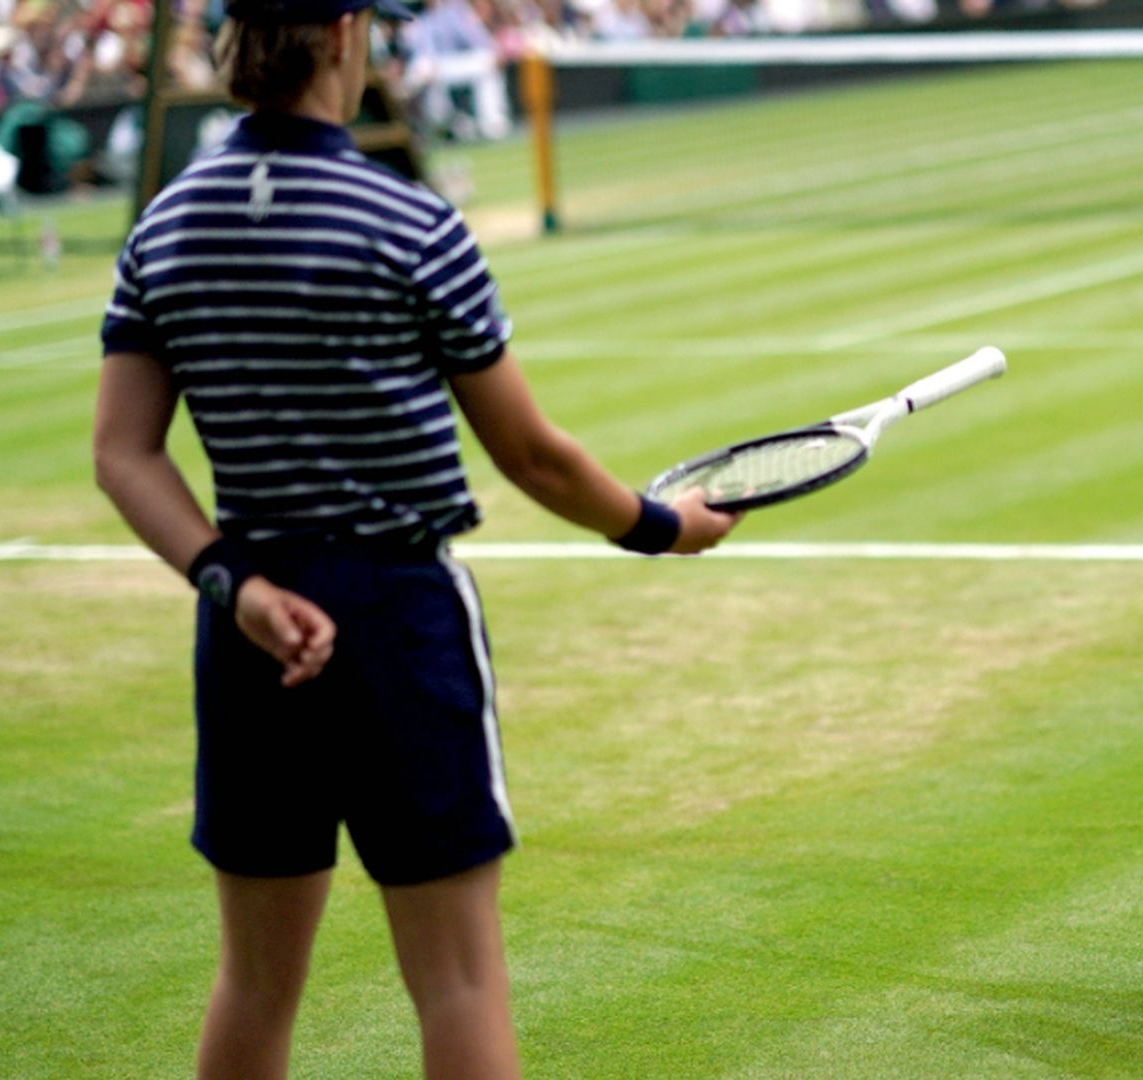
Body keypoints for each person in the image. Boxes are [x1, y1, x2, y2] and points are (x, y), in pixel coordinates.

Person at [89, 0, 739, 1074]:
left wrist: (232, 585)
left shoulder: (162, 227)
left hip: (250, 627)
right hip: (398, 622)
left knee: (253, 984)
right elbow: (529, 454)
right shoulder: (411, 222)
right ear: (344, 34)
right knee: (459, 981)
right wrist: (663, 526)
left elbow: (124, 454)